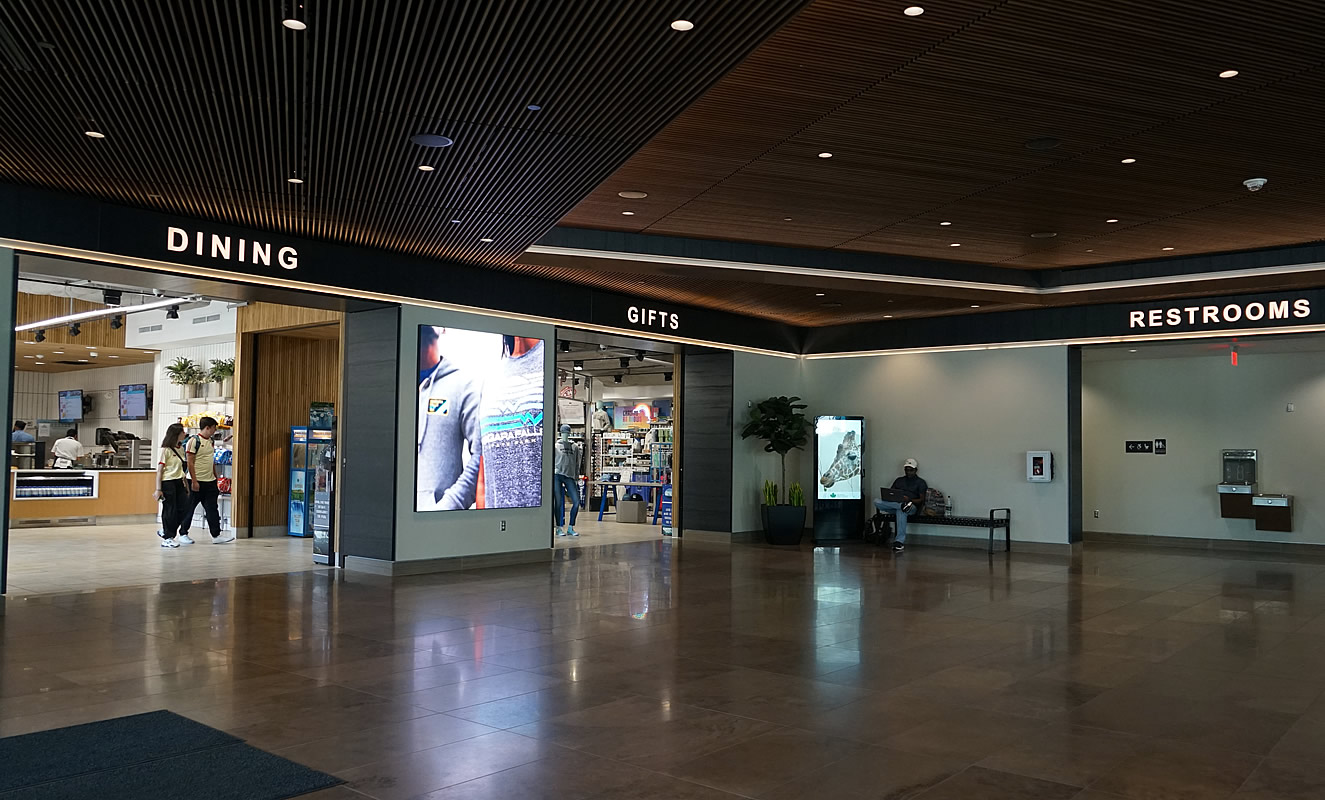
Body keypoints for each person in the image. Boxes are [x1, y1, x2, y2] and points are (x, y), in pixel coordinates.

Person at [417, 326, 483, 510]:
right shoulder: (392, 383)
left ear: (443, 328)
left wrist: (449, 505)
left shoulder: (464, 385)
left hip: (438, 523)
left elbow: (480, 455)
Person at [476, 336, 544, 509]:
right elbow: (483, 477)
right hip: (495, 525)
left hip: (537, 525)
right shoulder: (492, 376)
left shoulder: (548, 359)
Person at [186, 417, 235, 543]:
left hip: (210, 482)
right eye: (214, 428)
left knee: (212, 509)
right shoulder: (193, 441)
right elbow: (190, 463)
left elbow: (210, 460)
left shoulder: (211, 441)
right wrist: (194, 481)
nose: (215, 430)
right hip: (195, 481)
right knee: (189, 508)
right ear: (207, 427)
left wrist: (215, 476)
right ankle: (183, 533)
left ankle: (216, 535)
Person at [874, 457, 927, 553]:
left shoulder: (920, 482)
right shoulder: (899, 480)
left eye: (911, 470)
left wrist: (909, 499)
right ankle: (901, 507)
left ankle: (899, 541)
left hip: (912, 506)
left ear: (915, 470)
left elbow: (921, 500)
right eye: (907, 470)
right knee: (877, 501)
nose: (908, 472)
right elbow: (891, 493)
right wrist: (893, 499)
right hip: (897, 505)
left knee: (902, 510)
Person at [153, 423, 193, 548]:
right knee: (170, 510)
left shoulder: (181, 448)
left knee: (184, 508)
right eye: (182, 432)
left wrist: (186, 486)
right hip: (167, 482)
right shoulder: (166, 450)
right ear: (177, 434)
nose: (185, 434)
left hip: (179, 482)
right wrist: (158, 489)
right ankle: (167, 538)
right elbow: (160, 470)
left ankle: (167, 531)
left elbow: (181, 469)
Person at [553, 424, 582, 537]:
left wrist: (576, 477)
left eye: (567, 432)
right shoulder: (555, 446)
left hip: (570, 476)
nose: (566, 434)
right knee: (559, 502)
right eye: (564, 432)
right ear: (561, 433)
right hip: (557, 475)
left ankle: (571, 527)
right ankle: (559, 527)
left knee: (576, 501)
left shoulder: (574, 447)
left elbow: (577, 463)